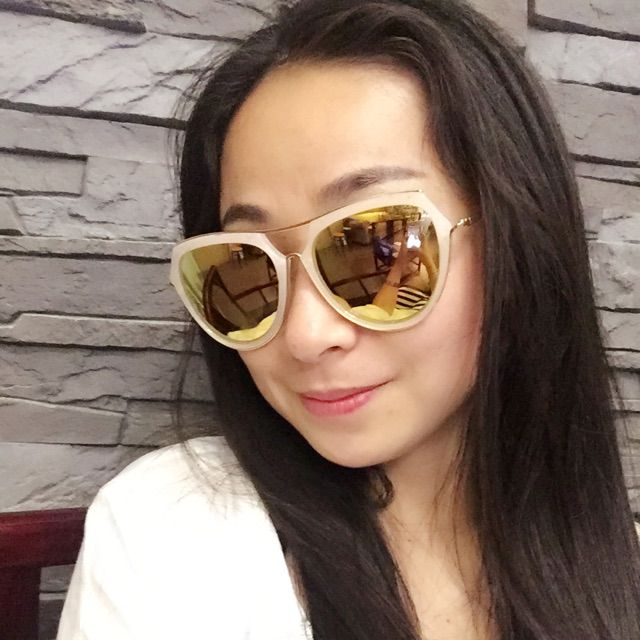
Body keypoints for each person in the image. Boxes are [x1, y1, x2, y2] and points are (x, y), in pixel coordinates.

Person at [57, 1, 640, 638]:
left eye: (379, 249)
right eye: (245, 268)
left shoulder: (617, 564)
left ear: (518, 239)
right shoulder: (176, 538)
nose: (305, 335)